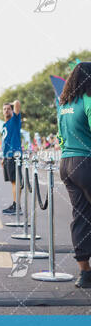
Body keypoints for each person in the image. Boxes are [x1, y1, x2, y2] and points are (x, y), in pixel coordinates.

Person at [58, 62, 91, 288]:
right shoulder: (88, 100)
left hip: (66, 164)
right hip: (86, 161)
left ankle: (84, 274)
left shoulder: (64, 105)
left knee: (80, 217)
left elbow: (60, 138)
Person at [1, 100, 22, 214]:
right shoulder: (4, 124)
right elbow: (5, 142)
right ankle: (15, 204)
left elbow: (18, 103)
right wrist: (3, 158)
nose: (6, 111)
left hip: (15, 156)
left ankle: (16, 206)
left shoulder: (15, 120)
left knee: (16, 182)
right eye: (4, 109)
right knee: (13, 182)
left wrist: (13, 103)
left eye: (8, 109)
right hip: (7, 157)